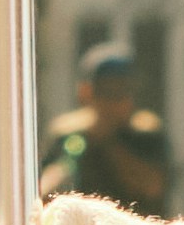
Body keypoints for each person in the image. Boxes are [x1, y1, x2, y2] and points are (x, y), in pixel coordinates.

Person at [45, 47, 172, 214]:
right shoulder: (69, 134)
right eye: (107, 92)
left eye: (123, 91)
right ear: (86, 92)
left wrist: (108, 142)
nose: (115, 101)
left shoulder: (146, 134)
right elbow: (44, 190)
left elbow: (152, 188)